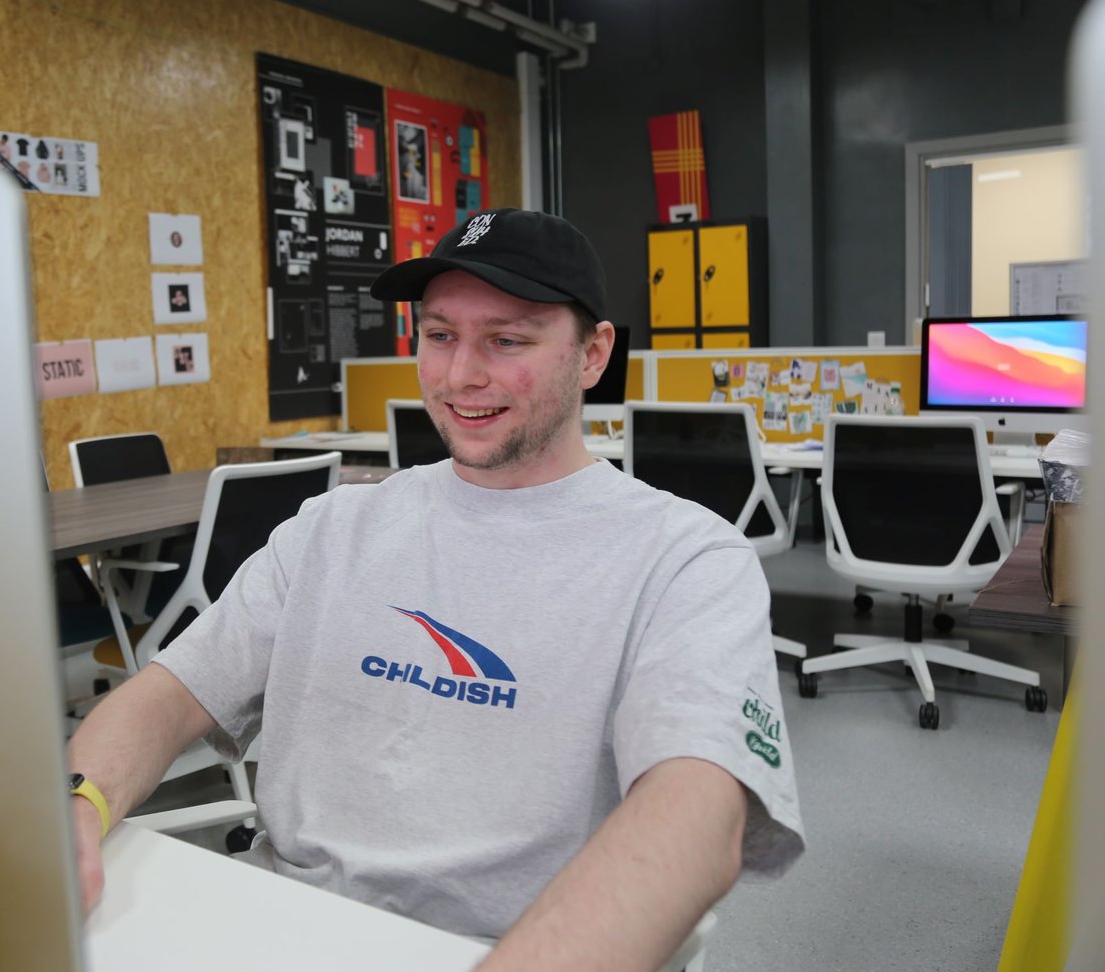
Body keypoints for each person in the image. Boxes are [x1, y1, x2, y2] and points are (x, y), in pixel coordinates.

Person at [66, 208, 804, 968]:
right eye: (440, 334)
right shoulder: (333, 527)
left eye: (507, 340)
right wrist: (79, 806)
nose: (460, 376)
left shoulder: (685, 559)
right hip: (279, 920)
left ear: (593, 354)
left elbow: (699, 816)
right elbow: (169, 693)